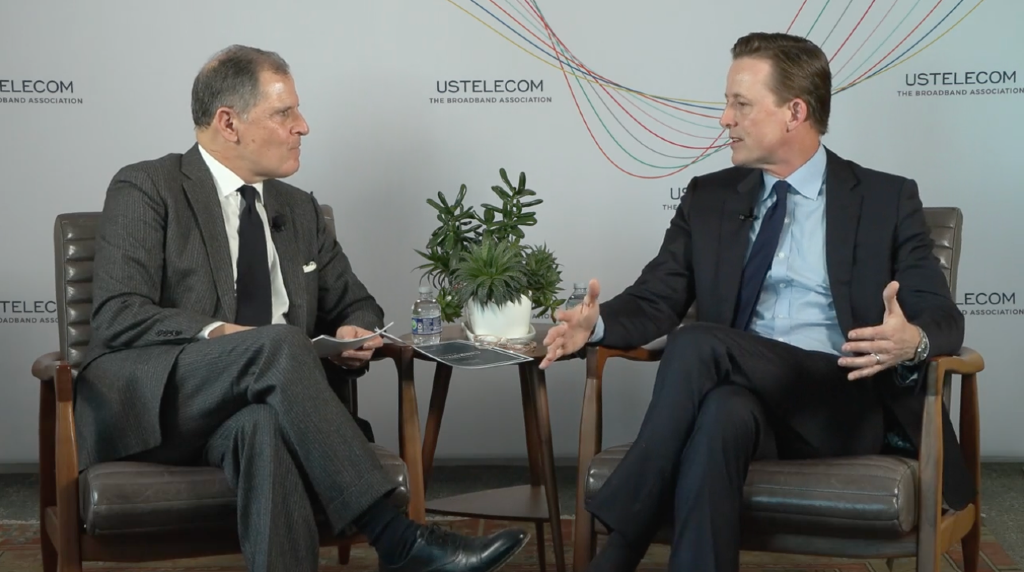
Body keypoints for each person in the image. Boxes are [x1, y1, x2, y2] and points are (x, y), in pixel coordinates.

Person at [76, 44, 528, 572]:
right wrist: (223, 334)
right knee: (277, 343)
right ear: (229, 123)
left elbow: (359, 302)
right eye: (284, 113)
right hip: (164, 405)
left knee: (263, 428)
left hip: (262, 407)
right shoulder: (148, 187)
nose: (303, 126)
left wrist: (356, 328)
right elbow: (118, 313)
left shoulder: (298, 209)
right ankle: (397, 538)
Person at [540, 32, 974, 571]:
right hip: (749, 402)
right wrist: (596, 326)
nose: (725, 119)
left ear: (795, 112)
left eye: (741, 104)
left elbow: (942, 316)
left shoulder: (886, 198)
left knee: (697, 343)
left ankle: (623, 539)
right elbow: (657, 296)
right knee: (720, 413)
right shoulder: (710, 198)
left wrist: (913, 341)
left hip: (840, 401)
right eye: (728, 103)